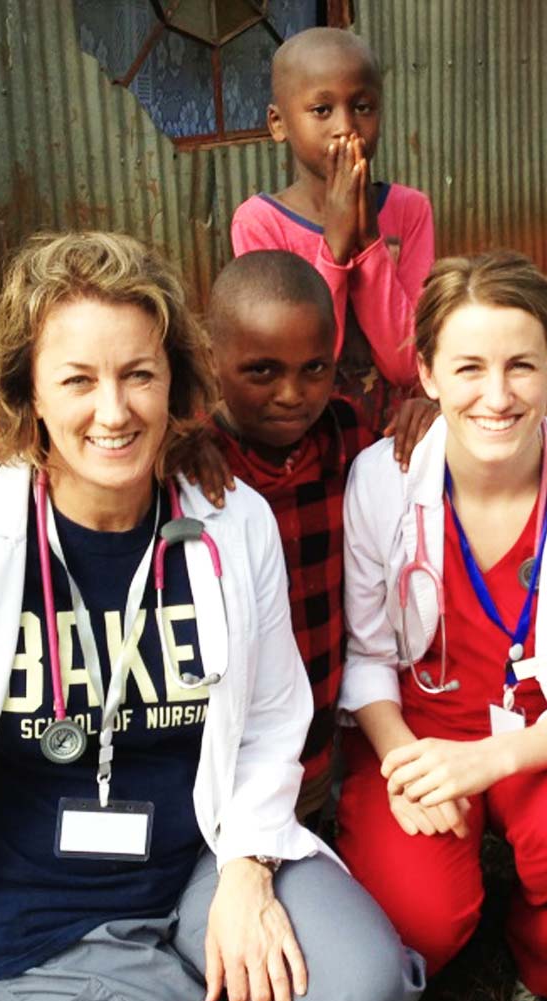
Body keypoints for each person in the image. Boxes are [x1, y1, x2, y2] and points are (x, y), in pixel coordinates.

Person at [0, 232, 422, 1001]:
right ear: (28, 393)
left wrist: (248, 874)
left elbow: (268, 716)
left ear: (175, 381)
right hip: (44, 918)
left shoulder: (228, 520)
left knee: (364, 997)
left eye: (138, 375)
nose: (113, 412)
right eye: (77, 379)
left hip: (196, 860)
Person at [337, 250, 547, 1001]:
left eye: (521, 365)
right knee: (419, 918)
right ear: (425, 372)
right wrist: (408, 765)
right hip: (418, 731)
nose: (496, 395)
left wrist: (484, 764)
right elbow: (367, 657)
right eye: (469, 367)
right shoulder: (379, 482)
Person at [203, 249, 433, 822]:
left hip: (319, 738)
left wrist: (428, 411)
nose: (292, 393)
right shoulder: (191, 461)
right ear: (212, 361)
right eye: (262, 370)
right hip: (219, 753)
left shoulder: (346, 433)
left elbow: (412, 433)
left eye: (315, 368)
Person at [231, 27, 434, 433]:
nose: (346, 127)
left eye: (363, 106)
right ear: (278, 122)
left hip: (396, 436)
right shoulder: (260, 223)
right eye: (322, 110)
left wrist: (371, 243)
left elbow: (406, 363)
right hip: (308, 439)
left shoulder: (409, 209)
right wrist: (336, 252)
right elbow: (300, 364)